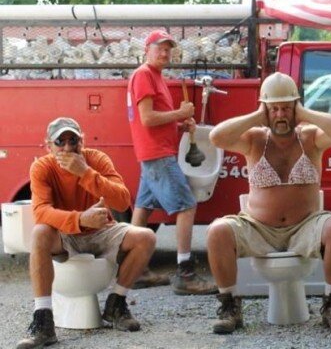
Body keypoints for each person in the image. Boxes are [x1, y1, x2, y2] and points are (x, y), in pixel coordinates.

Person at [206, 72, 331, 336]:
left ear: (296, 107)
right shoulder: (254, 138)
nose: (280, 115)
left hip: (305, 226)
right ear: (265, 109)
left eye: (286, 108)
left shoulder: (311, 137)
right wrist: (256, 116)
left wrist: (304, 113)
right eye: (274, 109)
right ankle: (230, 307)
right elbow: (216, 137)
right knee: (217, 231)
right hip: (258, 227)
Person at [17, 117, 156, 349]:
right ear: (48, 146)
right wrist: (80, 219)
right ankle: (43, 320)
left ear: (82, 141)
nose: (68, 148)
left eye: (73, 141)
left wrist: (85, 173)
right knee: (39, 233)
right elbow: (41, 211)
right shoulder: (42, 167)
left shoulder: (97, 159)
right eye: (60, 142)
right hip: (65, 234)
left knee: (146, 238)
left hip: (101, 231)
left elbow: (122, 202)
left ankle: (116, 303)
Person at [127, 30, 216, 294]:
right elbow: (147, 118)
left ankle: (134, 269)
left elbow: (153, 120)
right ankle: (185, 274)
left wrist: (179, 125)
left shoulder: (153, 76)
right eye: (160, 48)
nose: (165, 54)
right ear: (147, 49)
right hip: (157, 154)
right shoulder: (144, 75)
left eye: (168, 49)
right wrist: (180, 113)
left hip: (151, 152)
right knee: (187, 205)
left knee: (143, 207)